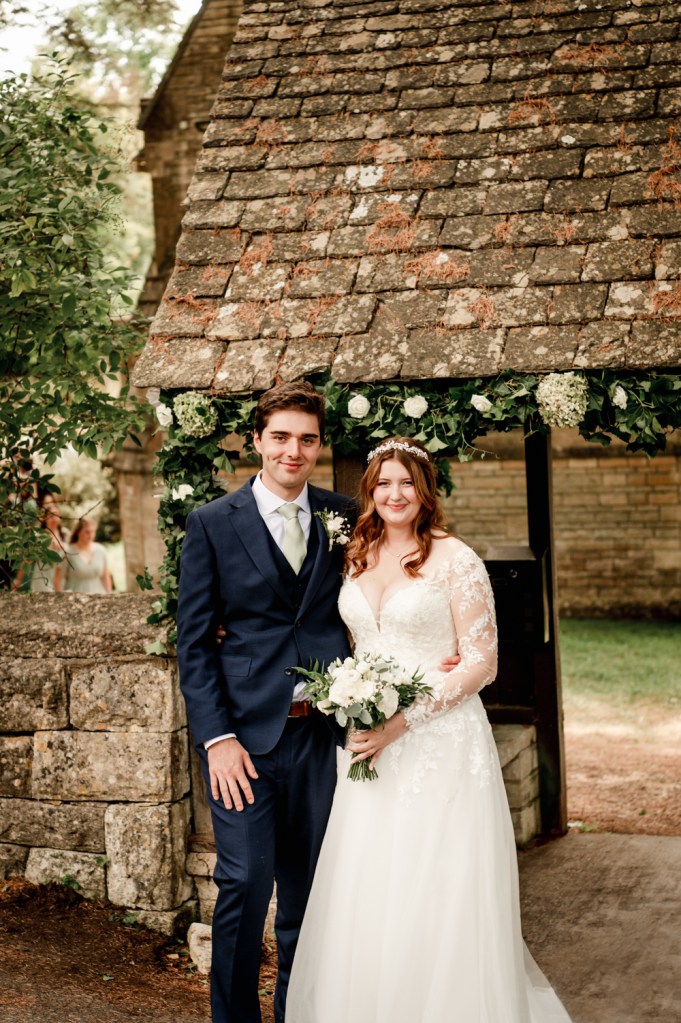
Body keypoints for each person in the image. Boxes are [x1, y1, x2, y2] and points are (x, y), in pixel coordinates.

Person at [286, 437, 573, 1023]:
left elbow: (482, 661)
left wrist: (400, 721)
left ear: (425, 491)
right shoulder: (356, 552)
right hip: (367, 741)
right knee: (369, 884)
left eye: (406, 482)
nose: (395, 494)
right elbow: (342, 637)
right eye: (383, 483)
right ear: (370, 491)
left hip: (437, 740)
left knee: (435, 886)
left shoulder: (455, 559)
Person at [57, 516, 112, 594]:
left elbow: (105, 576)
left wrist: (109, 595)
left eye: (93, 531)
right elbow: (57, 579)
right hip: (74, 599)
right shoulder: (67, 552)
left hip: (99, 598)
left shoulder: (101, 550)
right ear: (78, 532)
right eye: (87, 532)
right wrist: (60, 599)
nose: (91, 535)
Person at [29, 496, 67, 592]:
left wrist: (64, 546)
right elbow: (28, 559)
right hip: (42, 579)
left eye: (56, 515)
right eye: (51, 516)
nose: (54, 519)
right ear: (45, 518)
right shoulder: (38, 535)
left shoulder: (66, 534)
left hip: (61, 579)